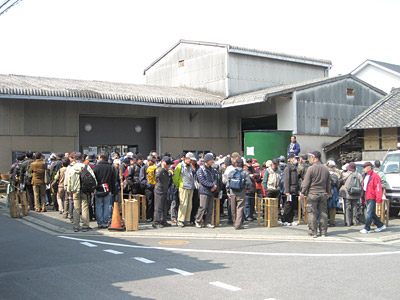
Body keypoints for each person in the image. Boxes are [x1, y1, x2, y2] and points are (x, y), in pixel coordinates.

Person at [301, 151, 331, 238]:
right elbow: (328, 182)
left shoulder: (311, 168)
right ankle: (323, 232)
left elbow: (306, 182)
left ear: (313, 158)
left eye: (311, 157)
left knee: (312, 212)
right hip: (323, 193)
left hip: (313, 193)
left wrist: (303, 192)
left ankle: (313, 231)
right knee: (323, 213)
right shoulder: (325, 168)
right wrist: (328, 192)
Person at [67, 152, 97, 232]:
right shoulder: (86, 167)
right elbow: (93, 178)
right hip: (85, 190)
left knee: (76, 208)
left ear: (74, 159)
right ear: (82, 158)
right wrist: (93, 188)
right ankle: (85, 226)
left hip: (75, 190)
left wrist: (69, 190)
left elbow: (69, 181)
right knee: (85, 207)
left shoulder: (72, 168)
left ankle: (76, 226)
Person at [224, 158, 252, 230]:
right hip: (241, 192)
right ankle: (238, 224)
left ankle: (234, 222)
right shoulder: (245, 173)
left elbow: (227, 182)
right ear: (243, 165)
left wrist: (228, 191)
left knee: (233, 208)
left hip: (232, 192)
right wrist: (246, 188)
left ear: (235, 164)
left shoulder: (232, 172)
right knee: (240, 208)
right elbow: (249, 183)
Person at [360, 162, 386, 234]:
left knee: (369, 213)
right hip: (366, 196)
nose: (363, 169)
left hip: (372, 197)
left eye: (364, 167)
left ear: (369, 167)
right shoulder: (365, 175)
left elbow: (378, 187)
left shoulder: (375, 176)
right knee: (371, 212)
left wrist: (378, 198)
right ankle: (380, 225)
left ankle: (367, 228)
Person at [93, 152, 116, 229]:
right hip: (108, 188)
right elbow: (113, 180)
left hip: (98, 188)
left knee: (99, 206)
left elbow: (93, 179)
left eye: (99, 157)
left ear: (101, 158)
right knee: (107, 206)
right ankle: (106, 222)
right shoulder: (111, 167)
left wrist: (94, 188)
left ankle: (100, 222)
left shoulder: (96, 167)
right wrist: (113, 191)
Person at [173, 152, 196, 227]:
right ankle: (180, 220)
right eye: (190, 160)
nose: (191, 161)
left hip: (191, 187)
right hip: (183, 187)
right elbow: (175, 178)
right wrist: (180, 185)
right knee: (183, 204)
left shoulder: (191, 166)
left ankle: (187, 219)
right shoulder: (180, 166)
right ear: (186, 158)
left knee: (189, 205)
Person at [195, 153, 217, 229]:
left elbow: (215, 179)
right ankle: (198, 221)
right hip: (203, 191)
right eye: (211, 160)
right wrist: (212, 185)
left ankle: (208, 222)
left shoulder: (212, 169)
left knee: (210, 207)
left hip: (211, 191)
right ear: (206, 160)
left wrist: (214, 185)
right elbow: (202, 181)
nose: (212, 161)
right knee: (203, 207)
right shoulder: (201, 170)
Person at [340, 162, 363, 226]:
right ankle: (354, 221)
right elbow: (361, 183)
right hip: (356, 194)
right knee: (354, 207)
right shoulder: (359, 175)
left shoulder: (346, 175)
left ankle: (347, 222)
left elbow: (341, 181)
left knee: (347, 208)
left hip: (347, 194)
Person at [153, 156, 173, 228]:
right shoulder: (160, 170)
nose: (169, 166)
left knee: (164, 206)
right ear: (163, 162)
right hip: (159, 190)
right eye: (168, 164)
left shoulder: (166, 171)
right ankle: (156, 221)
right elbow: (156, 178)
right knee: (158, 206)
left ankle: (163, 220)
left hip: (164, 190)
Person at [282, 153, 299, 226]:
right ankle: (285, 220)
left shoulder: (294, 167)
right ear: (290, 159)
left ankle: (290, 220)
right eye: (294, 158)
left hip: (294, 189)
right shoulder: (288, 168)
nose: (295, 159)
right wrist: (287, 191)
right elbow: (286, 180)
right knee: (288, 205)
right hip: (290, 189)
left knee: (293, 205)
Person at [139, 155, 157, 221]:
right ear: (149, 161)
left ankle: (154, 216)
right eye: (152, 161)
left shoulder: (155, 167)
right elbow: (141, 179)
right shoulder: (144, 168)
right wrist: (147, 184)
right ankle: (148, 216)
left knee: (155, 202)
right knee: (149, 202)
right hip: (148, 188)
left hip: (155, 187)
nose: (153, 163)